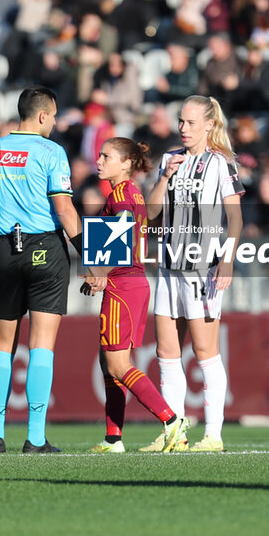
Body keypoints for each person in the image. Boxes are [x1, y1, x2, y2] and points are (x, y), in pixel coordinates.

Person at [0, 86, 98, 454]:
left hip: (4, 249)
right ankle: (35, 437)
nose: (54, 122)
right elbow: (66, 212)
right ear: (41, 115)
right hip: (45, 250)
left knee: (2, 344)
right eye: (53, 116)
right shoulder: (51, 152)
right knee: (42, 345)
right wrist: (91, 259)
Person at [142, 95, 245, 452]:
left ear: (209, 125)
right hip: (169, 266)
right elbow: (152, 213)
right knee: (166, 352)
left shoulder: (221, 163)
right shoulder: (171, 160)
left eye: (190, 122)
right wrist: (165, 176)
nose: (183, 128)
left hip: (203, 268)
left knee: (205, 351)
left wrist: (227, 260)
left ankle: (213, 435)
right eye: (181, 122)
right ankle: (175, 432)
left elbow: (235, 218)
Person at [85, 138, 189, 453]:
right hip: (131, 283)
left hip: (123, 285)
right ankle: (113, 438)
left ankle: (172, 422)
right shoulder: (127, 193)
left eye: (107, 156)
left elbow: (123, 237)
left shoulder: (120, 197)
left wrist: (100, 273)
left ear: (127, 163)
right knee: (109, 364)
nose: (99, 160)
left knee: (118, 365)